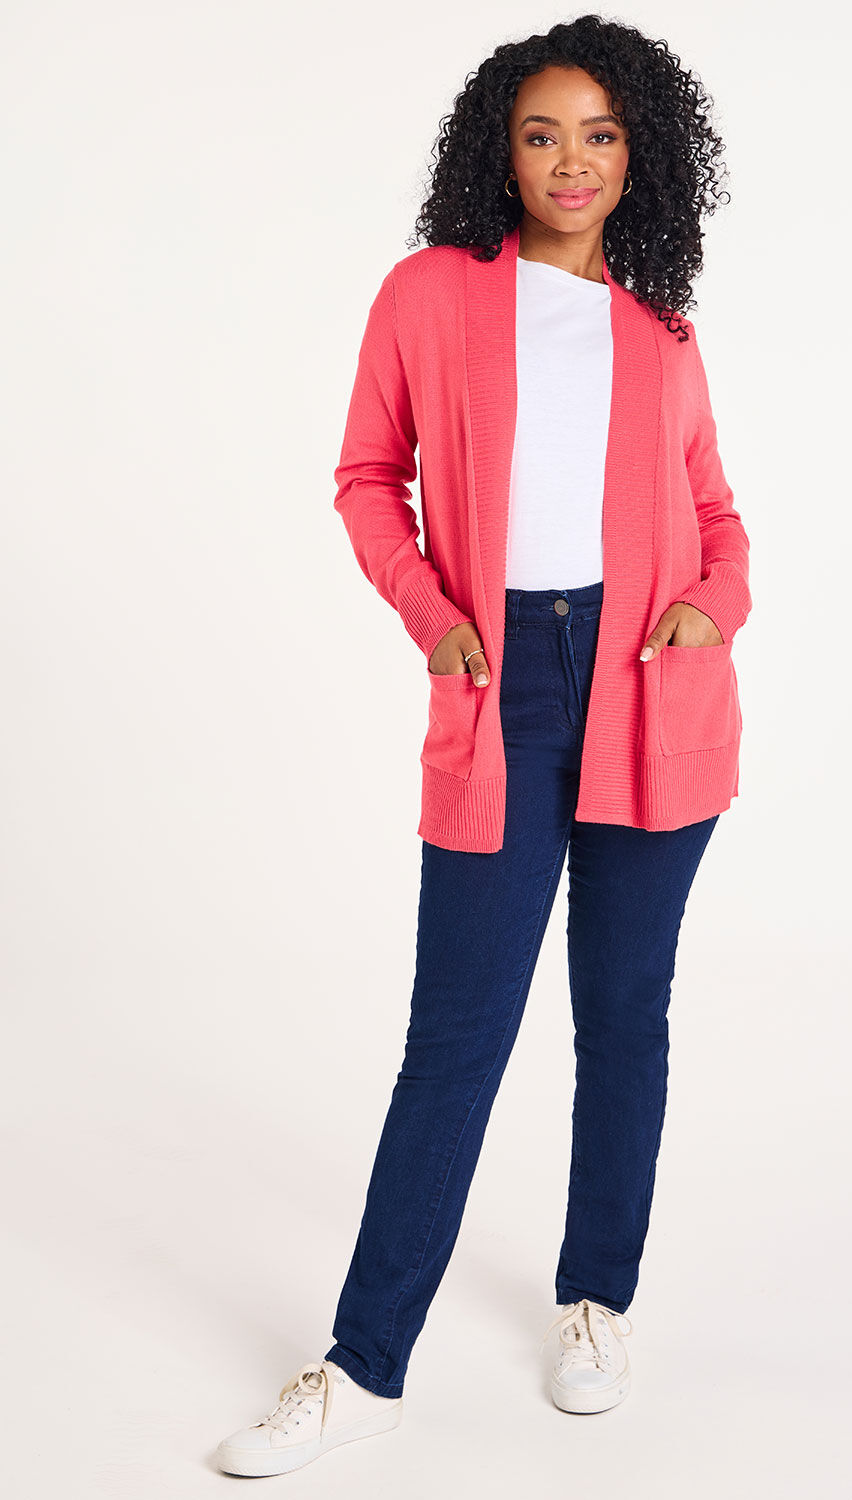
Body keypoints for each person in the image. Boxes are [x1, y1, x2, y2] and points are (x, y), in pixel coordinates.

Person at [217, 13, 751, 1478]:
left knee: (623, 1018)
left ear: (640, 155)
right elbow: (364, 477)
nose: (572, 160)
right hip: (501, 681)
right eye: (542, 133)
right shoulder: (432, 295)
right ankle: (361, 1364)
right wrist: (434, 617)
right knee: (454, 1039)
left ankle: (597, 1302)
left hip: (650, 690)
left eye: (601, 134)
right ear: (499, 153)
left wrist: (710, 610)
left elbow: (720, 519)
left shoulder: (661, 329)